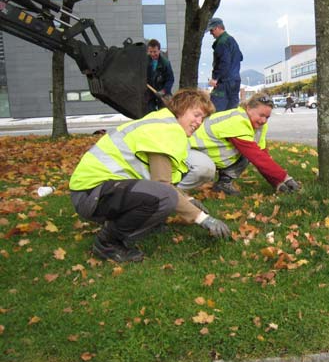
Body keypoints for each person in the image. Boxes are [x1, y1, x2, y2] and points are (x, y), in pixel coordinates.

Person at [69, 89, 230, 263]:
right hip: (91, 194)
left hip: (93, 191)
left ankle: (135, 224)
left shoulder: (163, 124)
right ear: (182, 108)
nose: (199, 122)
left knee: (163, 197)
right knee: (165, 197)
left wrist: (188, 201)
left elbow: (160, 179)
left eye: (203, 118)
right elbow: (162, 185)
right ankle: (108, 244)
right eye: (197, 115)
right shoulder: (166, 131)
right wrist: (203, 218)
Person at [179, 92, 300, 196]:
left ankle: (224, 183)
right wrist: (285, 178)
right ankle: (175, 191)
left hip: (206, 151)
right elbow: (257, 157)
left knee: (249, 154)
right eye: (261, 115)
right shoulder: (238, 120)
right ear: (248, 108)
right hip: (188, 150)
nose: (263, 120)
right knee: (205, 168)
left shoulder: (259, 127)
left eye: (267, 117)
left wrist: (277, 182)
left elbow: (263, 155)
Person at [207, 17, 243, 112]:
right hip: (235, 81)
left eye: (212, 30)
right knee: (232, 112)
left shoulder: (221, 42)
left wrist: (215, 78)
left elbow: (224, 63)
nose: (211, 33)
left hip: (224, 82)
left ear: (218, 28)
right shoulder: (232, 40)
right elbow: (240, 57)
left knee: (215, 111)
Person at [146, 39, 175, 113]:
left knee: (164, 113)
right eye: (151, 52)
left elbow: (170, 79)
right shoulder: (145, 62)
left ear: (159, 50)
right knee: (150, 114)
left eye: (155, 51)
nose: (152, 54)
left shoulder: (165, 63)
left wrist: (164, 91)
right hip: (150, 94)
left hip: (163, 94)